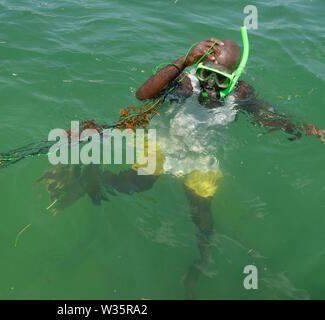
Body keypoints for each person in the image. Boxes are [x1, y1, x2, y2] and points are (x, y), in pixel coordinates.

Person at [38, 32, 325, 299]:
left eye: (220, 80)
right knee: (141, 180)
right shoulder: (187, 82)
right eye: (206, 74)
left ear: (235, 77)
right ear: (198, 68)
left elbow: (267, 117)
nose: (210, 85)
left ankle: (201, 263)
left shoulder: (241, 92)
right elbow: (143, 95)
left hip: (203, 154)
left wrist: (308, 128)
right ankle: (91, 180)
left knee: (201, 213)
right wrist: (185, 62)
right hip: (165, 139)